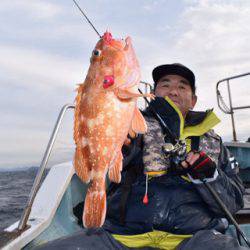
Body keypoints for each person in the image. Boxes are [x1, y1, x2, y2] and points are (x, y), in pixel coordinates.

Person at [37, 64, 246, 250]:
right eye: (165, 84)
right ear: (153, 94)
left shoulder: (214, 142)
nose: (173, 90)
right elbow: (111, 150)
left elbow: (233, 203)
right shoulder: (130, 123)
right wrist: (122, 148)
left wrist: (211, 175)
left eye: (182, 86)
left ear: (193, 100)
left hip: (195, 238)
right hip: (122, 235)